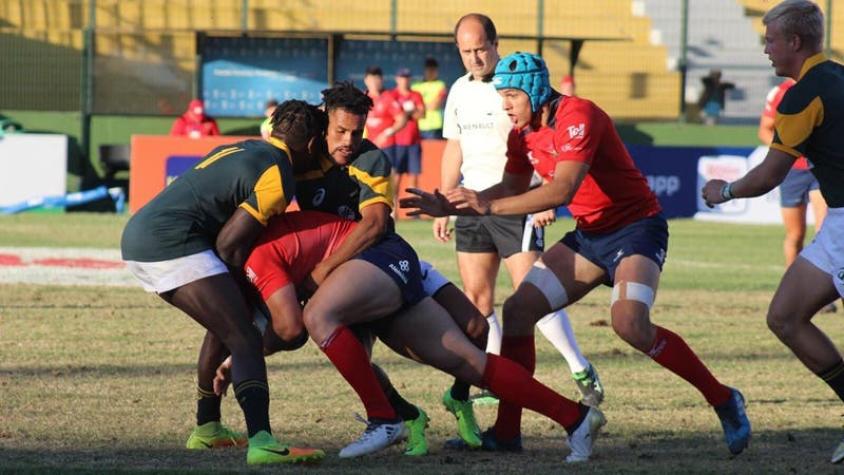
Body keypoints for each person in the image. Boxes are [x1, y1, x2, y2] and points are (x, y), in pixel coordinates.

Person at [404, 51, 752, 455]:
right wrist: (457, 204)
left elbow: (562, 191)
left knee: (629, 324)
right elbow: (512, 188)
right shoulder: (522, 134)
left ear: (534, 89)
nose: (505, 106)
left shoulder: (579, 115)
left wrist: (488, 207)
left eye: (511, 96)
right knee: (518, 312)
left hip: (636, 229)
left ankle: (723, 398)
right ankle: (506, 433)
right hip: (590, 237)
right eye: (502, 97)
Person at [237, 210, 606, 462]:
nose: (346, 141)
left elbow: (289, 326)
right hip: (360, 278)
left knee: (319, 316)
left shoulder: (364, 161)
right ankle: (575, 418)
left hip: (382, 260)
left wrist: (243, 353)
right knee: (466, 357)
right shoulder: (299, 186)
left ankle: (388, 417)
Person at [121, 100, 327, 466]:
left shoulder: (243, 146)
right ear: (312, 144)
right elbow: (230, 244)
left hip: (143, 234)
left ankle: (207, 429)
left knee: (225, 326)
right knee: (244, 334)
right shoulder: (278, 173)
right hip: (173, 242)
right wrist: (250, 292)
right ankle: (262, 441)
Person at [293, 81, 491, 454]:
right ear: (324, 125)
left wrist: (318, 273)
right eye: (340, 131)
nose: (349, 140)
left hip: (390, 263)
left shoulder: (371, 158)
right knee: (358, 360)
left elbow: (374, 225)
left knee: (477, 328)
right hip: (346, 280)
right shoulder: (301, 163)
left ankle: (459, 398)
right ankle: (404, 414)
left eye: (357, 131)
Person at [434, 13, 603, 442]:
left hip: (518, 200)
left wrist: (545, 192)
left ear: (495, 43)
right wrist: (445, 200)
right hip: (475, 201)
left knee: (530, 297)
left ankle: (577, 364)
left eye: (480, 48)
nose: (474, 57)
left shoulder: (518, 80)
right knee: (477, 302)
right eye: (465, 50)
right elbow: (454, 146)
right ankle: (498, 382)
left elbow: (541, 137)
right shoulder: (458, 90)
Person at [702, 0, 844, 463]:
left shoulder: (802, 96)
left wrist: (724, 191)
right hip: (838, 224)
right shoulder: (838, 76)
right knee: (785, 315)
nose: (766, 50)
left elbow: (768, 176)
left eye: (771, 40)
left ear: (795, 43)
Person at [759, 78, 837, 314]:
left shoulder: (825, 85)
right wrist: (786, 149)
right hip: (791, 171)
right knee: (795, 235)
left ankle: (826, 294)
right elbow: (765, 129)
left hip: (819, 169)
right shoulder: (781, 92)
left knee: (825, 231)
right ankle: (794, 293)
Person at [391, 68, 426, 209]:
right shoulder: (392, 95)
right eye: (402, 77)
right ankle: (392, 209)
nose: (404, 80)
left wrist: (405, 113)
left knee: (414, 175)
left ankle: (413, 209)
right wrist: (409, 112)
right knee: (396, 176)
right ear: (397, 79)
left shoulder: (416, 95)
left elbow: (422, 114)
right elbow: (393, 115)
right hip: (397, 141)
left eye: (407, 77)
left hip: (414, 141)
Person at [363, 66, 407, 167]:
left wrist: (386, 133)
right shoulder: (362, 98)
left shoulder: (388, 97)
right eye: (371, 79)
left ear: (381, 80)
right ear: (366, 81)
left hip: (386, 146)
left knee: (388, 175)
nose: (373, 82)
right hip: (367, 146)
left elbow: (402, 119)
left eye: (376, 79)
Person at [412, 57, 448, 139]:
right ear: (425, 70)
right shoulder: (415, 86)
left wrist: (419, 107)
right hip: (417, 127)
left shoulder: (441, 85)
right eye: (429, 69)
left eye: (433, 70)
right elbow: (411, 108)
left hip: (434, 127)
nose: (431, 72)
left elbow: (434, 105)